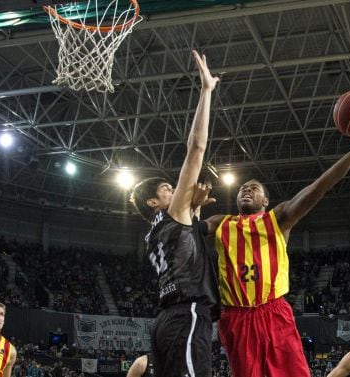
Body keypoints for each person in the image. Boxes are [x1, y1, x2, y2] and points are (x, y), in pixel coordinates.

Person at [200, 114, 350, 377]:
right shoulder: (219, 223)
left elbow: (318, 188)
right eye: (242, 189)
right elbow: (186, 234)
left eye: (253, 188)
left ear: (266, 200)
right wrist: (191, 208)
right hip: (236, 317)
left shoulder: (279, 218)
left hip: (272, 310)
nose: (246, 190)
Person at [129, 50, 220, 377]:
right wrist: (206, 91)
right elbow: (196, 148)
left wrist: (194, 212)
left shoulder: (153, 232)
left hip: (165, 322)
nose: (174, 189)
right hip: (187, 315)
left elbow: (183, 248)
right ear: (154, 202)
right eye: (167, 188)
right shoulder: (173, 214)